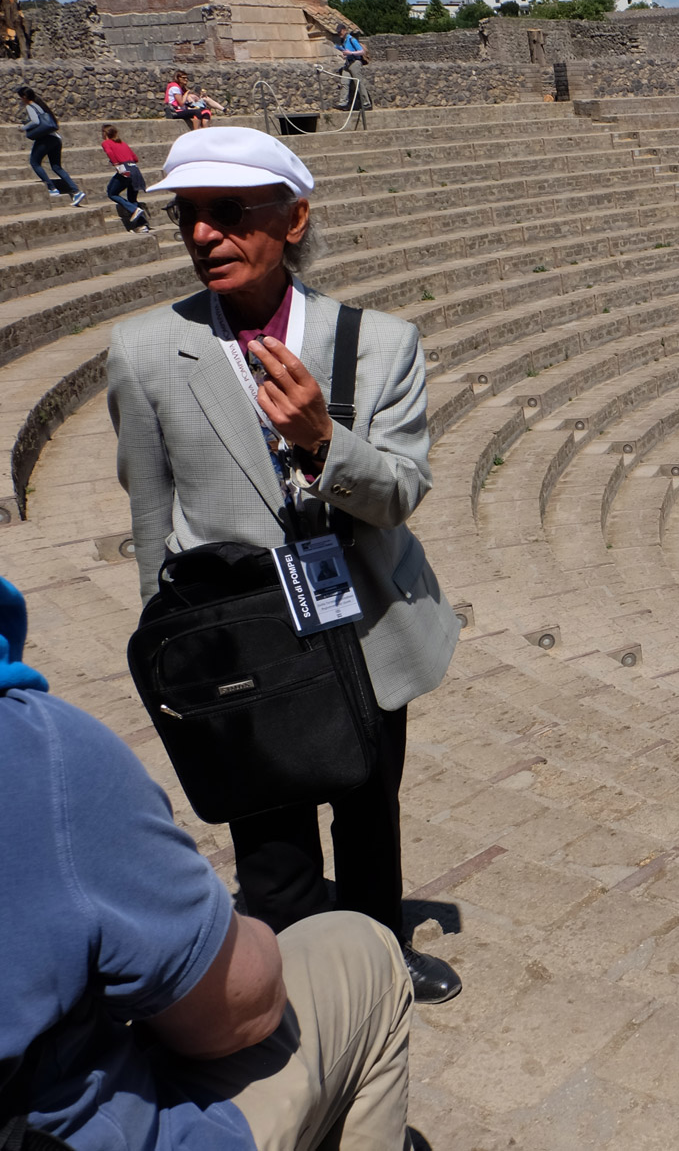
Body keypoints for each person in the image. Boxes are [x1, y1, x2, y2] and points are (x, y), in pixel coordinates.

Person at [105, 126, 464, 1006]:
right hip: (240, 638)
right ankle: (307, 979)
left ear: (294, 219)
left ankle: (380, 956)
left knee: (369, 805)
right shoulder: (146, 351)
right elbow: (152, 515)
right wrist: (173, 647)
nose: (203, 237)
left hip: (363, 621)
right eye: (188, 217)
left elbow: (400, 492)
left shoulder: (379, 344)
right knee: (271, 828)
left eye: (229, 215)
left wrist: (320, 440)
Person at [0, 574, 420, 1151]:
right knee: (363, 948)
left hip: (331, 596)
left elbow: (401, 489)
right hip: (228, 617)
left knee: (364, 802)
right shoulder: (37, 749)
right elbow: (240, 1015)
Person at [17, 87, 86, 207]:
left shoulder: (30, 106)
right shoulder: (40, 105)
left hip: (45, 139)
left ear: (24, 97)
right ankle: (76, 191)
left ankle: (51, 188)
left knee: (34, 162)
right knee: (56, 167)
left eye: (21, 97)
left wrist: (23, 128)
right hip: (55, 138)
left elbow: (35, 121)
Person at [100, 124, 151, 233]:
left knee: (111, 193)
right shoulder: (123, 143)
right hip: (135, 170)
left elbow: (109, 152)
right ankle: (142, 226)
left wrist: (116, 164)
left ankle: (133, 210)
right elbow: (135, 158)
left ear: (105, 133)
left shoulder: (106, 143)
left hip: (125, 169)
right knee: (132, 199)